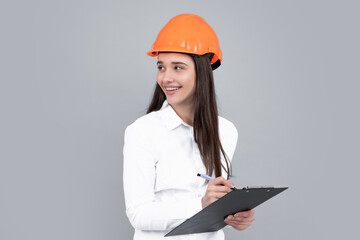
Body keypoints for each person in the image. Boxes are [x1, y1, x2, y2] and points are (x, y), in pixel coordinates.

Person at [123, 14, 255, 240]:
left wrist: (234, 215)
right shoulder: (142, 132)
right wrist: (200, 204)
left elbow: (212, 207)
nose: (166, 78)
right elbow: (139, 214)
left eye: (178, 67)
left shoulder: (226, 131)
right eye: (161, 67)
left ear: (202, 71)